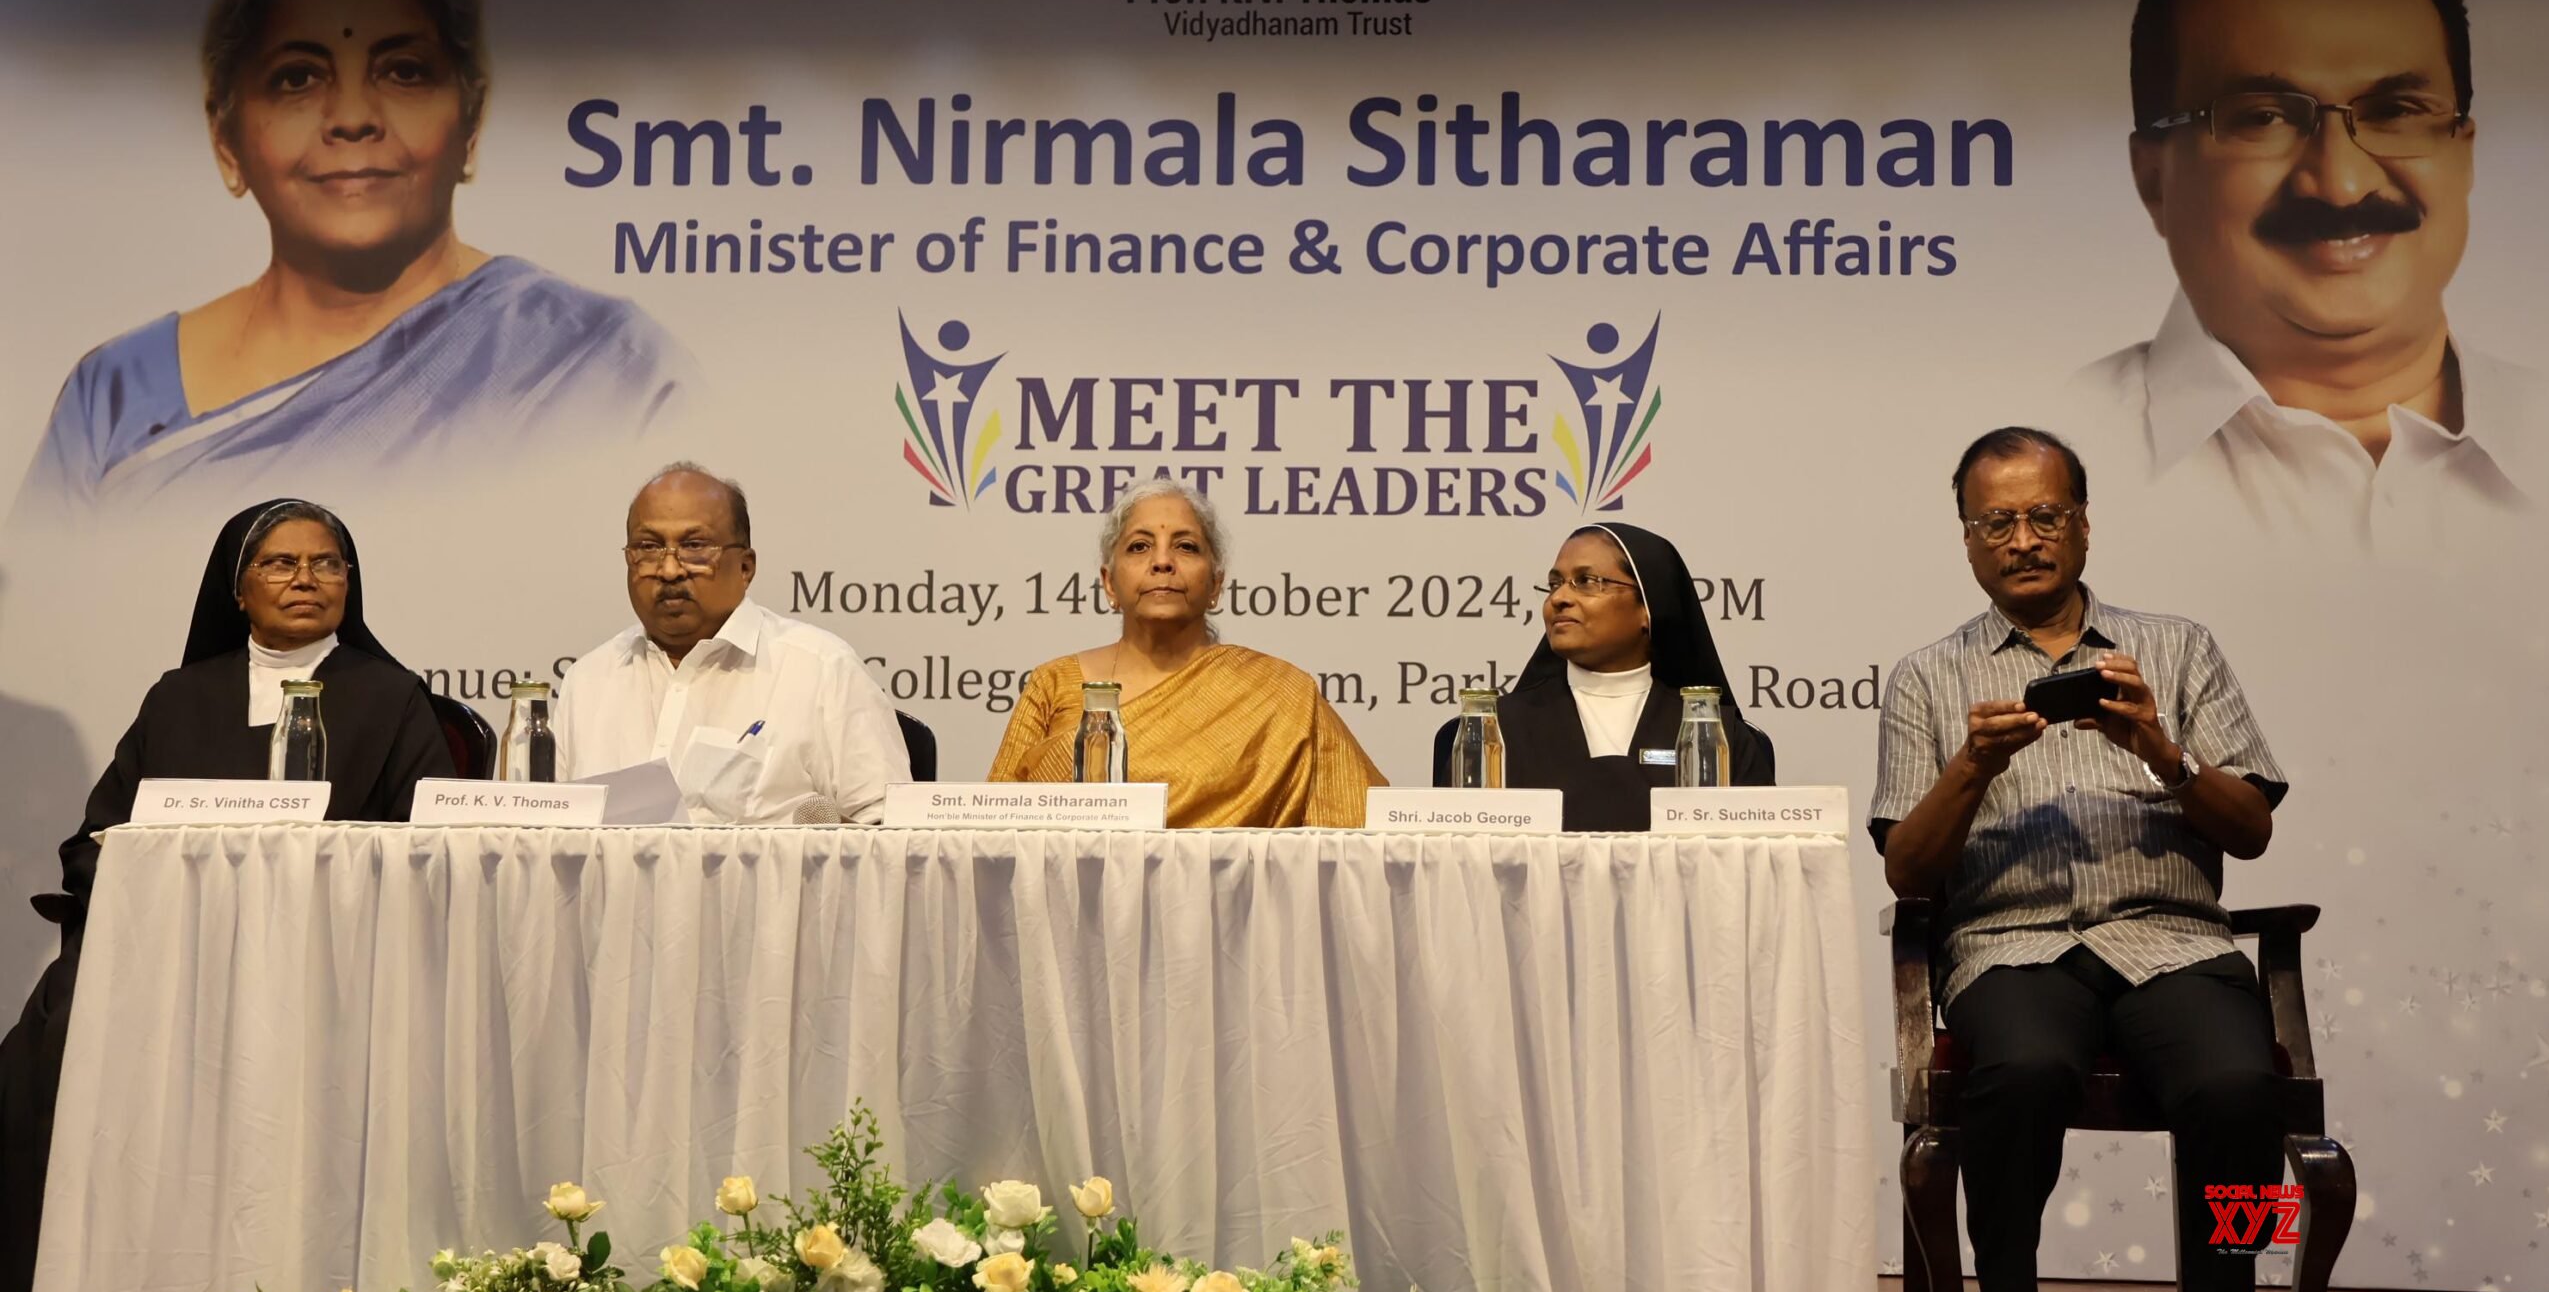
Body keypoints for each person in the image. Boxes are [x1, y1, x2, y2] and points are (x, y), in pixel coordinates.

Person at [1871, 427, 2290, 1292]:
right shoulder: (1926, 677)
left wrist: (2158, 748)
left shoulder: (2178, 648)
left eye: (2043, 515)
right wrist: (1972, 767)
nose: (2022, 539)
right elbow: (1907, 870)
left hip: (2171, 940)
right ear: (1967, 541)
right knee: (2021, 1071)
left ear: (2084, 526)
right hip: (2011, 946)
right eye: (1996, 522)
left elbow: (2252, 830)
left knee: (2243, 1087)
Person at [0, 498, 450, 1292]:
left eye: (327, 564)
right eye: (281, 563)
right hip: (173, 961)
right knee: (48, 1031)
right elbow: (95, 838)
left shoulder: (391, 694)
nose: (306, 580)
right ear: (237, 588)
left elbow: (427, 844)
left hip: (332, 962)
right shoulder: (180, 696)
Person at [15, 0, 694, 521]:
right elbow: (47, 606)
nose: (352, 117)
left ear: (471, 119)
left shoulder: (601, 365)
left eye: (403, 71)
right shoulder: (115, 397)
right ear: (226, 138)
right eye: (297, 78)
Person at [2078, 0, 2544, 554]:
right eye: (2263, 116)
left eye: (2395, 111)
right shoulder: (2050, 450)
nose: (2341, 183)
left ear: (2463, 154)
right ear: (2153, 177)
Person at [988, 477, 1382, 826]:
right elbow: (990, 831)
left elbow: (1365, 828)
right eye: (1139, 546)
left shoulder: (1281, 693)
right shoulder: (1054, 683)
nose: (1162, 562)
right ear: (1109, 583)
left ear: (1216, 584)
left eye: (1186, 547)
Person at [554, 463, 909, 823]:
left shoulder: (822, 670)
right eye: (648, 547)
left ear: (745, 568)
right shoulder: (588, 681)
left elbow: (889, 835)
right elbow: (544, 834)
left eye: (694, 546)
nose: (669, 570)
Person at [1453, 522, 1773, 829]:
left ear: (1648, 607)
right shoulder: (1490, 731)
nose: (1559, 598)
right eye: (1554, 584)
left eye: (1586, 581)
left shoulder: (1717, 735)